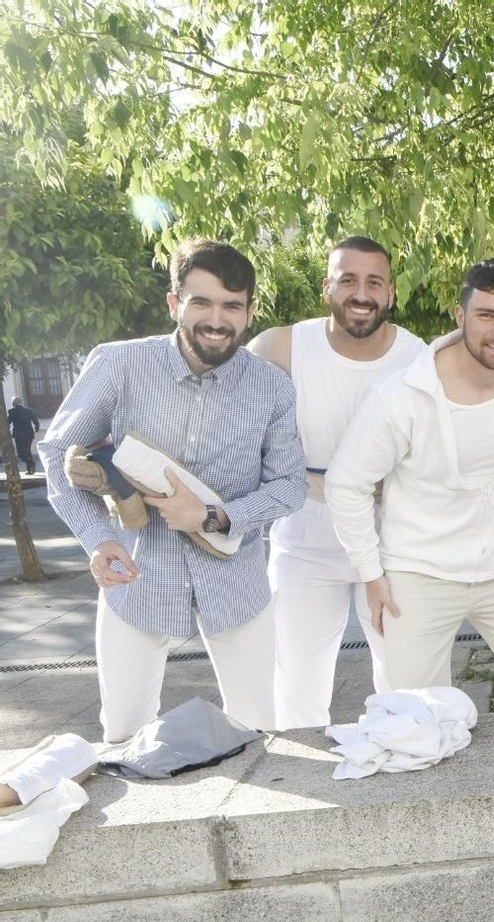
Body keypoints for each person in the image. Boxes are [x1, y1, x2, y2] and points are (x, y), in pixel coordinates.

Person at [39, 239, 307, 742]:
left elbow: (291, 485)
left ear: (250, 312)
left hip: (235, 583)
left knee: (257, 732)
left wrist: (212, 515)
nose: (217, 320)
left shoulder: (272, 386)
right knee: (123, 734)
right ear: (174, 303)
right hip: (136, 577)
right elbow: (56, 453)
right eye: (201, 302)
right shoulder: (119, 365)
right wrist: (98, 539)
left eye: (232, 306)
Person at [325, 259, 494, 709]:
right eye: (486, 315)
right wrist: (371, 575)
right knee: (415, 710)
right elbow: (345, 484)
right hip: (418, 573)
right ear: (460, 315)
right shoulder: (401, 395)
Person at [249, 237, 432, 729]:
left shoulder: (417, 357)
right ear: (327, 286)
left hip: (392, 529)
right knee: (298, 684)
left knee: (402, 679)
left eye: (374, 282)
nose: (361, 293)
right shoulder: (280, 347)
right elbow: (223, 412)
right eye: (348, 280)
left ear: (391, 293)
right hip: (307, 527)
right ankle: (302, 773)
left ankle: (402, 762)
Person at [8, 396, 40, 474]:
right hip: (29, 434)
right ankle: (30, 469)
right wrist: (36, 429)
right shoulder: (29, 410)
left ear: (14, 403)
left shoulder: (12, 411)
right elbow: (36, 422)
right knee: (27, 451)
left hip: (19, 435)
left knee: (20, 453)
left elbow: (7, 422)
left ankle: (31, 464)